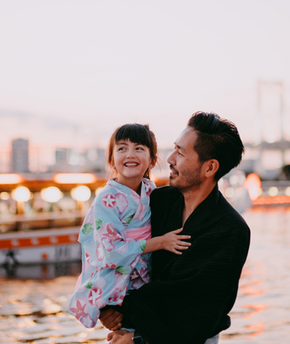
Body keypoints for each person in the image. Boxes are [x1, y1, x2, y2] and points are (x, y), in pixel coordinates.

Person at [100, 112, 251, 344]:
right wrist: (103, 303)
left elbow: (194, 304)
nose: (170, 159)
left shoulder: (230, 229)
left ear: (210, 167)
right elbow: (111, 245)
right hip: (131, 328)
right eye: (174, 149)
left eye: (180, 152)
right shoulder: (156, 202)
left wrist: (132, 328)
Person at [68, 123, 191, 328]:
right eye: (122, 148)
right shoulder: (107, 199)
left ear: (152, 161)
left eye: (139, 148)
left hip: (145, 284)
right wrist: (159, 243)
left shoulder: (152, 190)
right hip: (119, 289)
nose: (130, 154)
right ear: (112, 160)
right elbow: (112, 252)